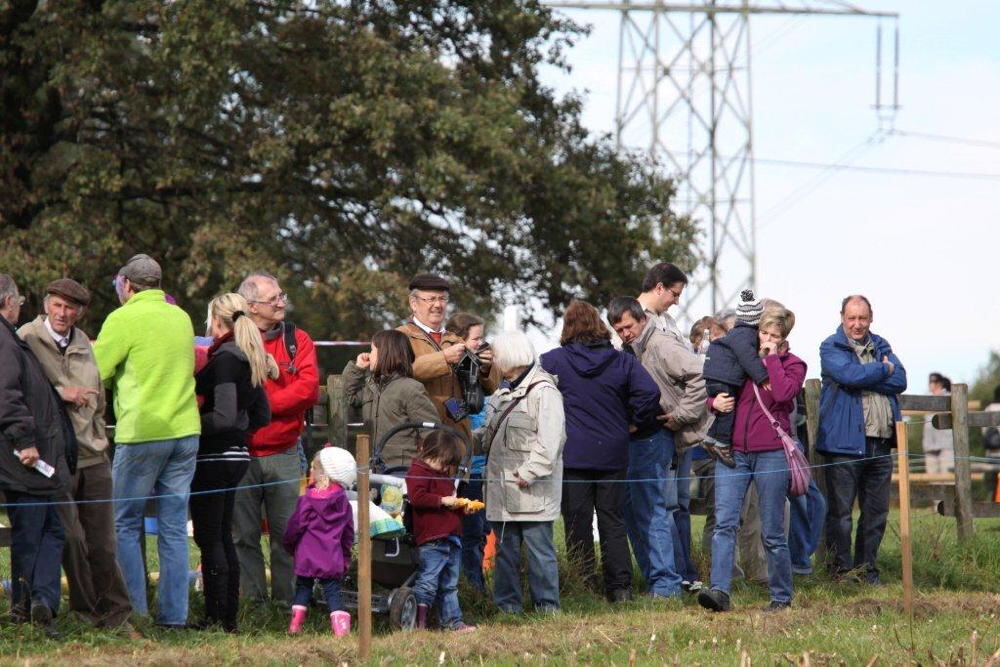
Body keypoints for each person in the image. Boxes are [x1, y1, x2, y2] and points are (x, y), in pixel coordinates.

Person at [93, 254, 201, 628]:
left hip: (142, 432)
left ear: (126, 284)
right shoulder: (181, 317)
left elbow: (97, 371)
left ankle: (134, 611)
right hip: (185, 430)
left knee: (123, 523)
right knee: (173, 528)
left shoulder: (122, 319)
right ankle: (175, 616)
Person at [18, 279, 132, 629]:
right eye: (57, 305)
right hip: (53, 458)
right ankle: (86, 612)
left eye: (70, 308)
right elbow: (18, 393)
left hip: (93, 454)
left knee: (104, 542)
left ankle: (118, 615)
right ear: (46, 305)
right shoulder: (26, 338)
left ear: (80, 312)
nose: (63, 313)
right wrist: (60, 392)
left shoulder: (83, 341)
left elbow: (99, 397)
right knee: (71, 538)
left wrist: (98, 434)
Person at [540, 300, 661, 602]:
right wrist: (633, 421)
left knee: (577, 522)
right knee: (612, 520)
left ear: (567, 328)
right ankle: (620, 588)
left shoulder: (553, 361)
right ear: (599, 325)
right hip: (613, 451)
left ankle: (584, 586)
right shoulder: (621, 361)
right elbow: (650, 393)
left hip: (573, 454)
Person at [698, 307, 806, 613]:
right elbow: (720, 385)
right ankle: (719, 590)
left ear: (784, 339)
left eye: (775, 335)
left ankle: (781, 596)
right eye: (764, 333)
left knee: (772, 530)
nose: (767, 339)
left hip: (771, 453)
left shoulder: (794, 365)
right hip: (734, 452)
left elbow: (783, 394)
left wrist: (771, 360)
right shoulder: (742, 359)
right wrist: (713, 402)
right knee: (724, 523)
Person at [607, 297, 708, 599]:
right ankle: (655, 577)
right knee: (634, 508)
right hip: (640, 436)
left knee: (651, 509)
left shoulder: (661, 345)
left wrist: (682, 415)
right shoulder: (632, 349)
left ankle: (666, 585)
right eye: (619, 329)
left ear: (642, 319)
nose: (625, 333)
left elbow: (700, 374)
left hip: (656, 436)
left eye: (628, 326)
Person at [190, 293, 275, 632]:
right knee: (223, 536)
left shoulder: (225, 359)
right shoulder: (248, 356)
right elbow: (263, 415)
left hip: (215, 455)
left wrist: (191, 426)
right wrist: (241, 430)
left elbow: (224, 416)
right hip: (238, 454)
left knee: (210, 537)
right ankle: (227, 618)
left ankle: (216, 617)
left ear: (216, 321)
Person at [234, 271, 319, 607]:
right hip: (241, 453)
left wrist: (262, 406)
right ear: (252, 306)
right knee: (243, 535)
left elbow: (308, 389)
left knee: (288, 534)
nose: (282, 302)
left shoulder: (298, 339)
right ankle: (253, 606)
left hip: (285, 451)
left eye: (282, 295)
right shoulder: (233, 339)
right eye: (274, 299)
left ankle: (289, 605)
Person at [0, 274, 75, 634]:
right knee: (32, 534)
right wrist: (24, 440)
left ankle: (41, 603)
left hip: (32, 457)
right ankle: (25, 611)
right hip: (23, 458)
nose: (19, 306)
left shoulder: (8, 337)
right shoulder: (3, 340)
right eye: (18, 301)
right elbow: (6, 395)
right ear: (7, 301)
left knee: (51, 529)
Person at [817, 295, 906, 585]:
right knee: (841, 515)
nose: (857, 324)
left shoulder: (881, 345)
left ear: (871, 318)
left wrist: (867, 376)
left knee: (876, 514)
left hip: (880, 443)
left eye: (862, 318)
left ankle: (867, 572)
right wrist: (883, 369)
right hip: (843, 444)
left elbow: (901, 380)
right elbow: (848, 375)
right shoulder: (831, 346)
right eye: (852, 318)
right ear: (842, 317)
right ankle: (841, 573)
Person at [480, 331, 565, 613]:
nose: (493, 361)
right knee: (505, 553)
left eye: (496, 355)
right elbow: (487, 437)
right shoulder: (502, 393)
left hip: (531, 490)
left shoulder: (544, 391)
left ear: (508, 356)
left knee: (540, 552)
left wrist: (529, 473)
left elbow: (552, 441)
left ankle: (547, 608)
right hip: (503, 491)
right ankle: (508, 608)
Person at [397, 274, 502, 443]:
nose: (438, 305)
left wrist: (485, 368)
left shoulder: (456, 340)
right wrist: (443, 358)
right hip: (420, 439)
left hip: (457, 438)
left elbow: (491, 388)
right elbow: (401, 374)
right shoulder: (399, 337)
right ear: (413, 303)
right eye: (431, 299)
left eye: (442, 299)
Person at [405, 431, 477, 631]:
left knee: (449, 584)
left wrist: (462, 508)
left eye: (448, 464)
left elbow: (449, 505)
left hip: (451, 536)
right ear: (428, 452)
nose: (445, 468)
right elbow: (417, 498)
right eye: (442, 462)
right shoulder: (418, 472)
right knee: (428, 581)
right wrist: (441, 500)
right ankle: (418, 622)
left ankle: (453, 622)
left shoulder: (444, 476)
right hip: (433, 538)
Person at [284, 447, 356, 636]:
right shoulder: (344, 503)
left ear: (323, 473)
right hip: (331, 557)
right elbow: (348, 534)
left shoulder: (306, 501)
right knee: (333, 592)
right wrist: (345, 556)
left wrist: (290, 545)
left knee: (303, 588)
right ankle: (341, 631)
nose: (311, 471)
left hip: (306, 556)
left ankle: (295, 626)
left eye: (313, 467)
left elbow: (294, 526)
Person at [343, 329, 438, 469]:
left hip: (401, 471)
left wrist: (423, 469)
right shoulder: (371, 387)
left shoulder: (411, 388)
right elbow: (349, 397)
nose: (369, 355)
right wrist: (357, 369)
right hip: (373, 469)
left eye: (372, 350)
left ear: (385, 354)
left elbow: (431, 432)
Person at [446, 312, 491, 592]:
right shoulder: (451, 375)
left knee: (479, 531)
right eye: (476, 338)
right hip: (462, 467)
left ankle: (475, 588)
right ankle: (466, 588)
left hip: (481, 465)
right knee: (467, 532)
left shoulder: (480, 372)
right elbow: (454, 410)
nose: (481, 344)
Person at [701, 289, 770, 468]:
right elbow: (748, 358)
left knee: (723, 411)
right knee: (728, 411)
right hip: (724, 378)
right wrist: (763, 377)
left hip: (714, 376)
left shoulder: (735, 333)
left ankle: (710, 438)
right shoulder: (746, 335)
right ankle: (723, 445)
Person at [636, 262, 688, 343]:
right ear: (659, 288)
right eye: (675, 295)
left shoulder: (668, 320)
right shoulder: (627, 317)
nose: (677, 302)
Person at [922, 372, 954, 474]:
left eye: (933, 381)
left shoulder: (948, 397)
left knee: (947, 476)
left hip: (946, 445)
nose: (930, 384)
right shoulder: (927, 400)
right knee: (932, 478)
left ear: (939, 383)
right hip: (930, 446)